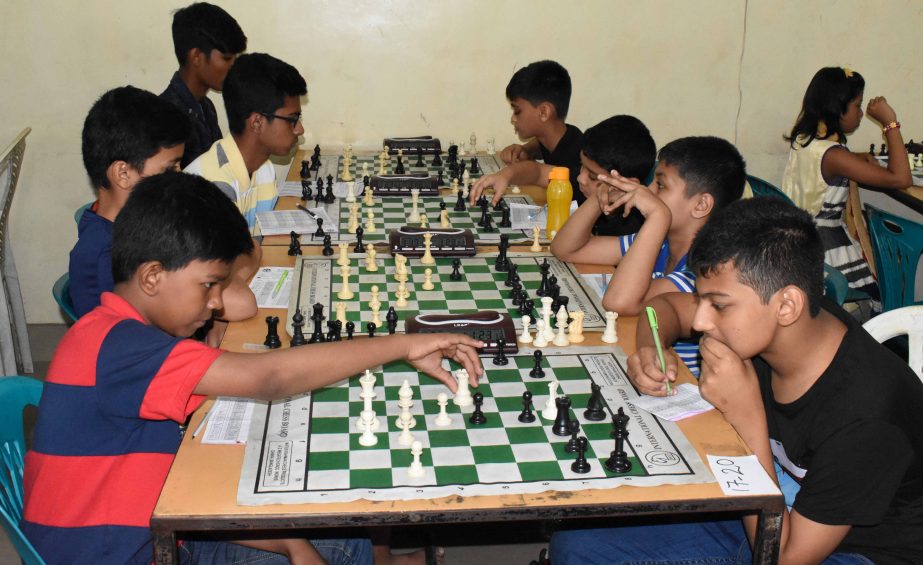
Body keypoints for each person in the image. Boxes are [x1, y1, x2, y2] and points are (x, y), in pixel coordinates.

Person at [23, 171, 485, 565]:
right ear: (152, 276)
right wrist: (402, 344)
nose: (216, 302)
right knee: (345, 546)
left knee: (341, 536)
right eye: (208, 285)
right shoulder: (124, 348)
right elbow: (269, 379)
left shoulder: (122, 333)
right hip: (121, 553)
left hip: (149, 525)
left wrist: (288, 540)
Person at [550, 197, 923, 564]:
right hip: (772, 503)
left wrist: (747, 419)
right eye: (702, 300)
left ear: (787, 305)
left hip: (857, 551)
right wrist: (652, 348)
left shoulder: (866, 415)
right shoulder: (787, 321)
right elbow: (662, 309)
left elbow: (779, 558)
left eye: (719, 305)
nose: (700, 323)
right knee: (577, 544)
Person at [551, 136, 745, 375]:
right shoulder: (659, 243)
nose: (647, 190)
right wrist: (598, 197)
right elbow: (565, 249)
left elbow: (619, 303)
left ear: (701, 205)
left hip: (684, 387)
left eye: (660, 185)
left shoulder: (705, 274)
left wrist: (658, 215)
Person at [781, 66, 911, 302]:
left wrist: (856, 158)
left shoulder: (805, 140)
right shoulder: (835, 157)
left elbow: (830, 163)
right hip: (826, 251)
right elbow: (902, 178)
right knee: (883, 293)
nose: (861, 114)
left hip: (799, 241)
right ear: (837, 109)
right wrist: (890, 123)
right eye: (857, 106)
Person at [69, 86, 190, 318]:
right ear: (123, 174)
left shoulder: (137, 226)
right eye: (169, 168)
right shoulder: (106, 259)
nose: (179, 176)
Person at [472, 115, 654, 235]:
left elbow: (570, 249)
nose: (580, 178)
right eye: (582, 166)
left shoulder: (634, 225)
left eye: (591, 175)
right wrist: (506, 175)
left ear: (626, 185)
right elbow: (537, 172)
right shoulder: (585, 184)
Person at [185, 52, 305, 233]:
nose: (299, 129)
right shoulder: (214, 189)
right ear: (257, 122)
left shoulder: (264, 168)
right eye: (292, 119)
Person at [480, 60, 584, 205]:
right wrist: (526, 149)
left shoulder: (578, 161)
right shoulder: (568, 134)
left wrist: (506, 175)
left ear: (543, 112)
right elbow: (542, 145)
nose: (513, 119)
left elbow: (537, 172)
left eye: (517, 111)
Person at [160, 2, 247, 168]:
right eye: (227, 58)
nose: (234, 67)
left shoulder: (206, 107)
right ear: (197, 57)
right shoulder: (166, 118)